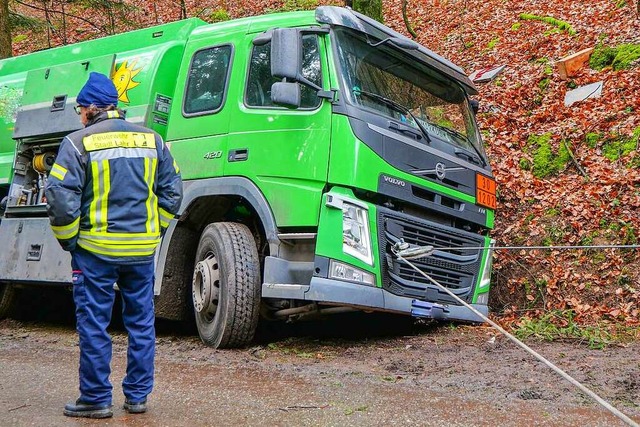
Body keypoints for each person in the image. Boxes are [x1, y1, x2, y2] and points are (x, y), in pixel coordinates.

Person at [45, 72, 183, 419]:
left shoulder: (77, 143)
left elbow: (61, 198)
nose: (79, 116)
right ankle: (137, 397)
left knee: (94, 323)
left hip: (95, 251)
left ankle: (95, 398)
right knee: (141, 323)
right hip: (141, 252)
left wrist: (70, 241)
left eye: (80, 109)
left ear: (91, 108)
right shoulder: (154, 141)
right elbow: (172, 194)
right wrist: (155, 232)